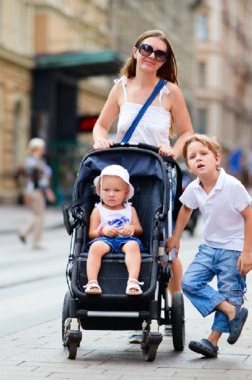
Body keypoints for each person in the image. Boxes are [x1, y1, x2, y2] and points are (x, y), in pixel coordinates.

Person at [92, 29, 194, 340]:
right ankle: (125, 292)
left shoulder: (169, 92)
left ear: (165, 61)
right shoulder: (120, 89)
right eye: (147, 49)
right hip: (122, 172)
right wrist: (100, 141)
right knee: (126, 237)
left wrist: (174, 150)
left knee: (162, 244)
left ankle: (173, 301)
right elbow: (100, 125)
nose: (151, 56)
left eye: (160, 53)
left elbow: (188, 132)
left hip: (157, 171)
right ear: (136, 51)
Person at [166, 134, 252, 358]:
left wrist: (247, 252)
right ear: (190, 167)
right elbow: (185, 209)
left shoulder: (232, 186)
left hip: (233, 249)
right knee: (189, 282)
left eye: (203, 154)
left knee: (229, 291)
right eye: (192, 157)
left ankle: (212, 341)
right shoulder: (194, 188)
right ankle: (232, 311)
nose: (198, 158)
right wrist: (176, 237)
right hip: (208, 247)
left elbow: (249, 217)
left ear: (217, 158)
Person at [84, 165, 144, 296]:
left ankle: (133, 281)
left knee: (133, 246)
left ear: (126, 192)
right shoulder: (98, 210)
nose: (111, 194)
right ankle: (92, 282)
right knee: (95, 247)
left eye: (117, 190)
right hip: (104, 240)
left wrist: (132, 228)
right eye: (106, 190)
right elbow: (91, 233)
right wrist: (102, 231)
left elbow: (139, 230)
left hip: (126, 239)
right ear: (99, 190)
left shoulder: (130, 209)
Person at [18, 138, 55, 250]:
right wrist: (48, 191)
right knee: (40, 216)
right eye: (42, 148)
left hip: (30, 191)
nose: (43, 150)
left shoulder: (29, 161)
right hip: (36, 191)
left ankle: (24, 233)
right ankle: (36, 241)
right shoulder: (36, 162)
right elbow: (39, 180)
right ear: (38, 149)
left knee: (37, 215)